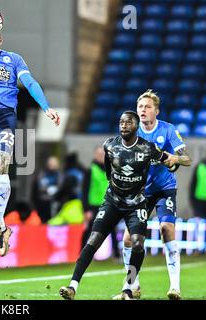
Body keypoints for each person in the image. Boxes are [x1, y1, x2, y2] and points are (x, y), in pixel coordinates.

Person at [0, 26, 60, 256]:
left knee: (2, 166)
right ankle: (4, 229)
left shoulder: (14, 59)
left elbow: (31, 83)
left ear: (0, 38)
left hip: (6, 118)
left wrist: (46, 107)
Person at [59, 111, 175, 300]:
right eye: (121, 121)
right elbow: (108, 171)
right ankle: (72, 287)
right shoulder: (110, 145)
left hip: (136, 204)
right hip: (112, 202)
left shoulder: (147, 148)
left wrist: (176, 161)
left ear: (136, 126)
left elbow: (167, 160)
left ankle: (129, 288)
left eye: (128, 122)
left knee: (137, 244)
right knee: (93, 240)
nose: (123, 125)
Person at [114, 90, 192, 300]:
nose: (143, 110)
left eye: (147, 107)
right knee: (130, 238)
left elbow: (187, 158)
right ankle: (132, 285)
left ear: (156, 111)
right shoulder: (131, 132)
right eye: (140, 107)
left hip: (164, 188)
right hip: (140, 192)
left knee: (166, 229)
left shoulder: (167, 130)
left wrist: (174, 158)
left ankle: (175, 287)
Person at [82, 146, 120, 259]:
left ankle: (116, 255)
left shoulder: (111, 170)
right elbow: (84, 190)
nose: (101, 156)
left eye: (103, 154)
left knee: (112, 230)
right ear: (95, 155)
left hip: (109, 204)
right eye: (99, 154)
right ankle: (81, 254)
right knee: (90, 230)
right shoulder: (90, 170)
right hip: (94, 205)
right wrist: (86, 209)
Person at [32, 156, 60, 223]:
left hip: (54, 202)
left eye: (53, 164)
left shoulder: (59, 174)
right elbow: (40, 185)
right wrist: (48, 189)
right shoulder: (42, 173)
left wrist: (57, 189)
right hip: (42, 201)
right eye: (50, 163)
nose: (51, 165)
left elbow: (61, 185)